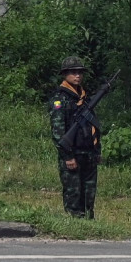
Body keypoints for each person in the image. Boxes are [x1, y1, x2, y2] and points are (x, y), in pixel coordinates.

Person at [49, 56, 102, 219]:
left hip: (88, 153)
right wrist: (68, 156)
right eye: (73, 72)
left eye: (80, 72)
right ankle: (75, 224)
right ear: (65, 75)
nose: (77, 76)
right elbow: (58, 133)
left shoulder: (85, 98)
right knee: (74, 192)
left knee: (89, 192)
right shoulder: (59, 99)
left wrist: (97, 150)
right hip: (72, 154)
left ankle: (89, 221)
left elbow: (93, 127)